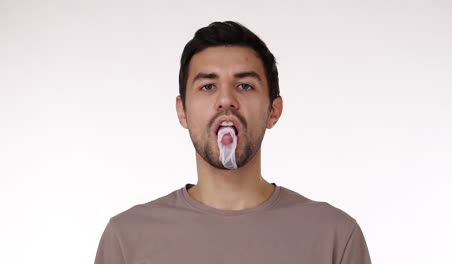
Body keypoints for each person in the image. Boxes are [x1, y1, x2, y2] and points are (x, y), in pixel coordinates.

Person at [94, 21, 372, 264]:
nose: (226, 100)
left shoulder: (335, 237)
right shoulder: (126, 238)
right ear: (182, 111)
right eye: (208, 86)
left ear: (273, 111)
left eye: (245, 86)